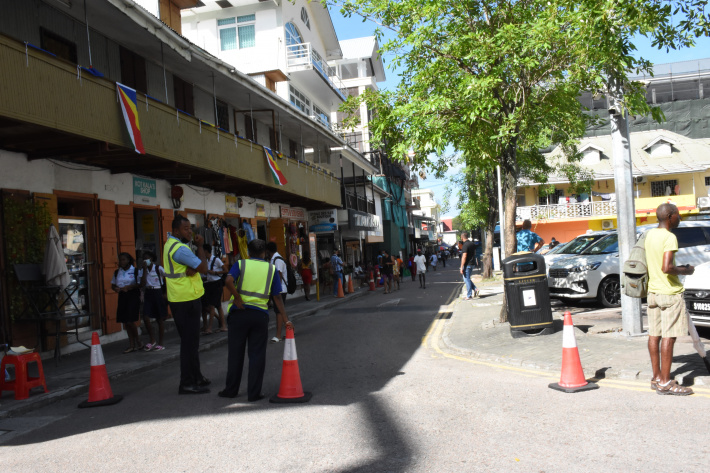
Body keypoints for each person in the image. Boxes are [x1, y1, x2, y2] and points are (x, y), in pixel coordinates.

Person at [219, 238, 292, 401]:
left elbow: (228, 281)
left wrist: (237, 297)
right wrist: (286, 319)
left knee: (235, 354)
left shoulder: (240, 264)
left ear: (249, 252)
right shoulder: (271, 269)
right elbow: (277, 297)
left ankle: (231, 390)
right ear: (265, 252)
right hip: (259, 315)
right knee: (257, 354)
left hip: (239, 314)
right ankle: (254, 393)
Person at [646, 203, 695, 395]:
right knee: (669, 336)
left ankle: (657, 377)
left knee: (654, 335)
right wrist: (686, 270)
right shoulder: (669, 237)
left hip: (653, 292)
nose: (680, 218)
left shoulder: (650, 234)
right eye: (678, 215)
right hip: (669, 293)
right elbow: (667, 267)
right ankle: (666, 383)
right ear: (669, 217)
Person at [164, 215, 210, 395]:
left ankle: (197, 376)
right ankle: (187, 382)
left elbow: (196, 267)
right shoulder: (181, 249)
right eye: (185, 229)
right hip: (186, 300)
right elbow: (204, 268)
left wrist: (194, 265)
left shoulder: (171, 244)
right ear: (176, 231)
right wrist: (200, 247)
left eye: (190, 228)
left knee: (192, 342)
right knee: (189, 343)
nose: (190, 231)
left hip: (181, 298)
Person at [111, 252, 142, 353]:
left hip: (132, 296)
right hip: (122, 296)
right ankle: (131, 344)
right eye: (120, 260)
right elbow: (113, 284)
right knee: (125, 321)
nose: (122, 262)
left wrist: (128, 287)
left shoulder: (135, 271)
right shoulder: (117, 272)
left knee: (130, 320)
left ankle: (138, 340)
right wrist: (116, 288)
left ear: (128, 260)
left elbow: (139, 284)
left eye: (124, 259)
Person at [139, 250, 168, 351]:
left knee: (159, 319)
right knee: (145, 316)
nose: (145, 260)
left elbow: (166, 279)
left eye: (147, 258)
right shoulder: (143, 270)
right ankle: (152, 339)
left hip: (158, 292)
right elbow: (142, 283)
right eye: (144, 258)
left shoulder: (158, 268)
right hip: (148, 293)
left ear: (151, 259)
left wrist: (165, 293)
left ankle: (160, 343)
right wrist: (144, 270)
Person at [201, 244, 227, 335]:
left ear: (206, 251)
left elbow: (225, 270)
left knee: (212, 306)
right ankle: (222, 325)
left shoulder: (216, 260)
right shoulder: (204, 261)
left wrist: (215, 272)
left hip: (216, 284)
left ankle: (210, 327)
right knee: (217, 306)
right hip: (208, 284)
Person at [266, 242, 288, 343]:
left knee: (278, 312)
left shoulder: (277, 260)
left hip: (280, 289)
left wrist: (274, 290)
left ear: (268, 250)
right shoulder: (275, 259)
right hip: (279, 289)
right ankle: (289, 329)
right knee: (280, 311)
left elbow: (278, 275)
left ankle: (278, 335)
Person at [460, 232, 479, 300]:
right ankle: (475, 289)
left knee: (466, 279)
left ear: (462, 237)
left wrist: (461, 266)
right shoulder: (472, 244)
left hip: (467, 264)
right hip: (472, 263)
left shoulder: (465, 245)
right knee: (467, 278)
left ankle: (469, 295)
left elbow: (464, 256)